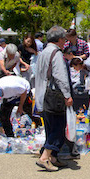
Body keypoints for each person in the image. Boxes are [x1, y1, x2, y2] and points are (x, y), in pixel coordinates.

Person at [35, 26, 72, 171]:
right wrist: (67, 95)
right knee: (57, 127)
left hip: (42, 94)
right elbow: (60, 76)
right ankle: (45, 157)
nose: (65, 42)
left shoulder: (43, 52)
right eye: (64, 39)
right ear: (60, 39)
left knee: (50, 127)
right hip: (53, 96)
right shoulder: (56, 53)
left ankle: (53, 157)